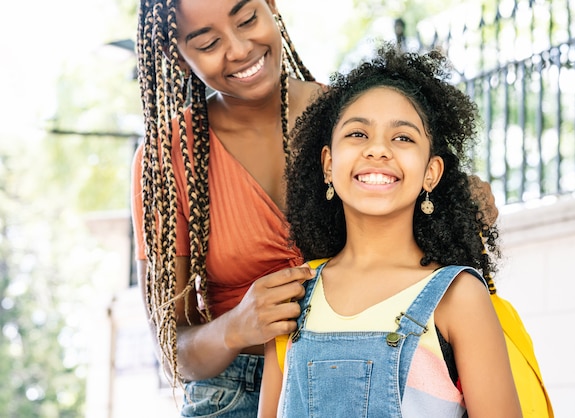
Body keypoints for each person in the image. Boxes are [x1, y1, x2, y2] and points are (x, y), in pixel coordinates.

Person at [131, 0, 499, 416]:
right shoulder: (166, 161)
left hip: (365, 369)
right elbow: (173, 352)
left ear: (272, 8)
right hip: (228, 395)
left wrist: (461, 202)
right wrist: (236, 327)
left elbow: (422, 222)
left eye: (248, 19)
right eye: (209, 42)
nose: (238, 48)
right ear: (177, 57)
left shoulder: (353, 122)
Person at [258, 45, 521, 417]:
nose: (378, 149)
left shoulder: (460, 298)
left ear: (431, 173)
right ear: (329, 165)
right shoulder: (292, 296)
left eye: (403, 138)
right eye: (358, 134)